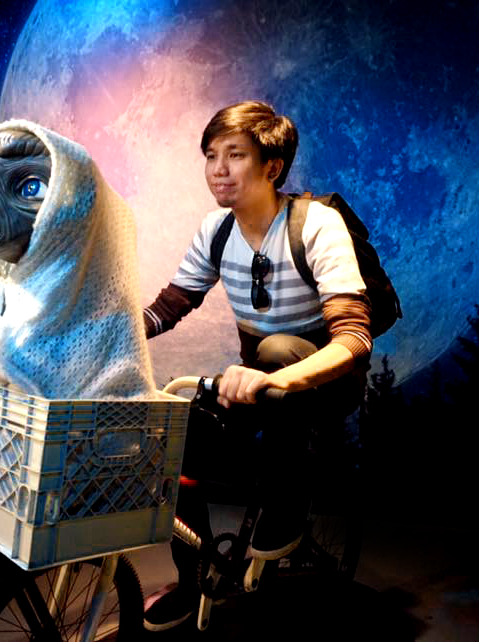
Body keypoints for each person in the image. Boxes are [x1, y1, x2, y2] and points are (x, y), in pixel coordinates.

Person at [142, 100, 373, 631]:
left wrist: (274, 378)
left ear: (272, 166)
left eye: (235, 155)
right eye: (210, 155)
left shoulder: (317, 225)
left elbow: (355, 339)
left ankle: (287, 507)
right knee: (183, 443)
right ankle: (193, 578)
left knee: (273, 350)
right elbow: (168, 306)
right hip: (262, 385)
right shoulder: (216, 230)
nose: (218, 169)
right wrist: (103, 336)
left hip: (326, 381)